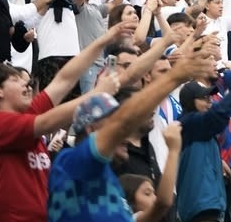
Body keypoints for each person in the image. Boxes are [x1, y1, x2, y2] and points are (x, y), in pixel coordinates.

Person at [46, 33, 218, 222]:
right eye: (114, 120)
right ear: (91, 128)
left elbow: (160, 206)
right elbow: (124, 122)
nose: (125, 134)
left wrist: (174, 151)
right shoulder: (71, 163)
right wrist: (174, 76)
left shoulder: (110, 184)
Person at [0, 22, 133, 222]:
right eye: (15, 80)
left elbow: (64, 79)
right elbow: (47, 122)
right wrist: (96, 94)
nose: (27, 83)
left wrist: (104, 39)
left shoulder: (26, 115)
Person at [120, 122, 183, 222]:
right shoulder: (129, 218)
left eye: (154, 193)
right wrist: (173, 150)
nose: (155, 198)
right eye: (147, 193)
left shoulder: (149, 146)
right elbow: (163, 203)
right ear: (129, 202)